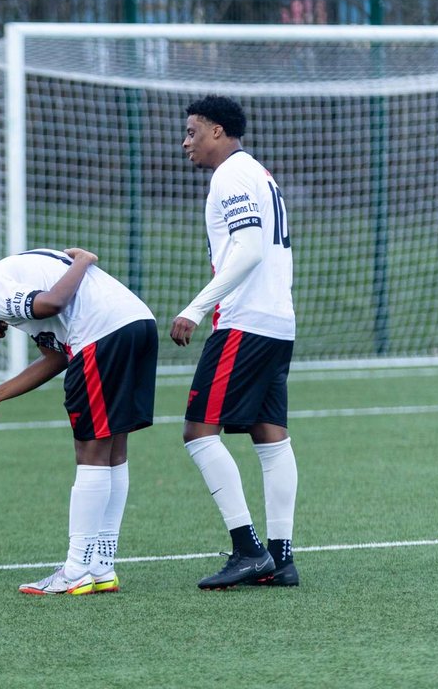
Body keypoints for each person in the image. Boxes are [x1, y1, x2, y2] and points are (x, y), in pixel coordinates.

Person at [0, 247, 157, 596]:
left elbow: (53, 303)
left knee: (90, 453)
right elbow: (55, 358)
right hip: (137, 324)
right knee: (114, 450)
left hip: (100, 334)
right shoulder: (14, 293)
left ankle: (75, 571)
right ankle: (102, 567)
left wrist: (84, 261)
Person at [170, 94, 299, 590]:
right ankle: (281, 557)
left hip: (244, 322)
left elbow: (248, 250)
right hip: (276, 322)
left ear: (218, 132)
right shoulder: (260, 173)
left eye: (192, 132)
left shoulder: (231, 175)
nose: (187, 143)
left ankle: (248, 550)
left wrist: (195, 308)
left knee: (198, 432)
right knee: (271, 437)